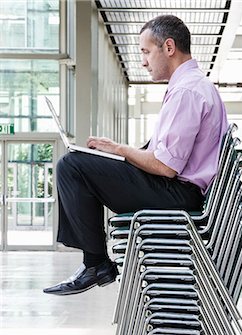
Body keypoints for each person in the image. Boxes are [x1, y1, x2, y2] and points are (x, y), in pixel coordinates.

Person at [43, 14, 228, 296]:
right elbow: (163, 156)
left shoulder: (188, 92)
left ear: (168, 47)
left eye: (145, 51)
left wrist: (119, 150)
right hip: (178, 190)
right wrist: (117, 154)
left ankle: (95, 264)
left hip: (177, 194)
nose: (143, 61)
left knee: (72, 166)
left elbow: (166, 166)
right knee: (80, 164)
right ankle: (95, 263)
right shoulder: (191, 86)